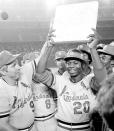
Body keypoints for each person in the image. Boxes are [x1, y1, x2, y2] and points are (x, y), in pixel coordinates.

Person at [33, 29, 106, 131]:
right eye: (68, 63)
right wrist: (48, 47)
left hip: (84, 127)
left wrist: (93, 49)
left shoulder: (90, 80)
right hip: (62, 127)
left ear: (83, 65)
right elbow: (39, 73)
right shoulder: (60, 80)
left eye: (76, 63)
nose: (71, 66)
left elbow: (102, 76)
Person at [0, 50, 38, 131]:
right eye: (14, 65)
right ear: (3, 71)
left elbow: (40, 59)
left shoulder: (22, 74)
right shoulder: (1, 90)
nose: (18, 67)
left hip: (33, 126)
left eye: (17, 63)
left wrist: (48, 46)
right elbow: (2, 124)